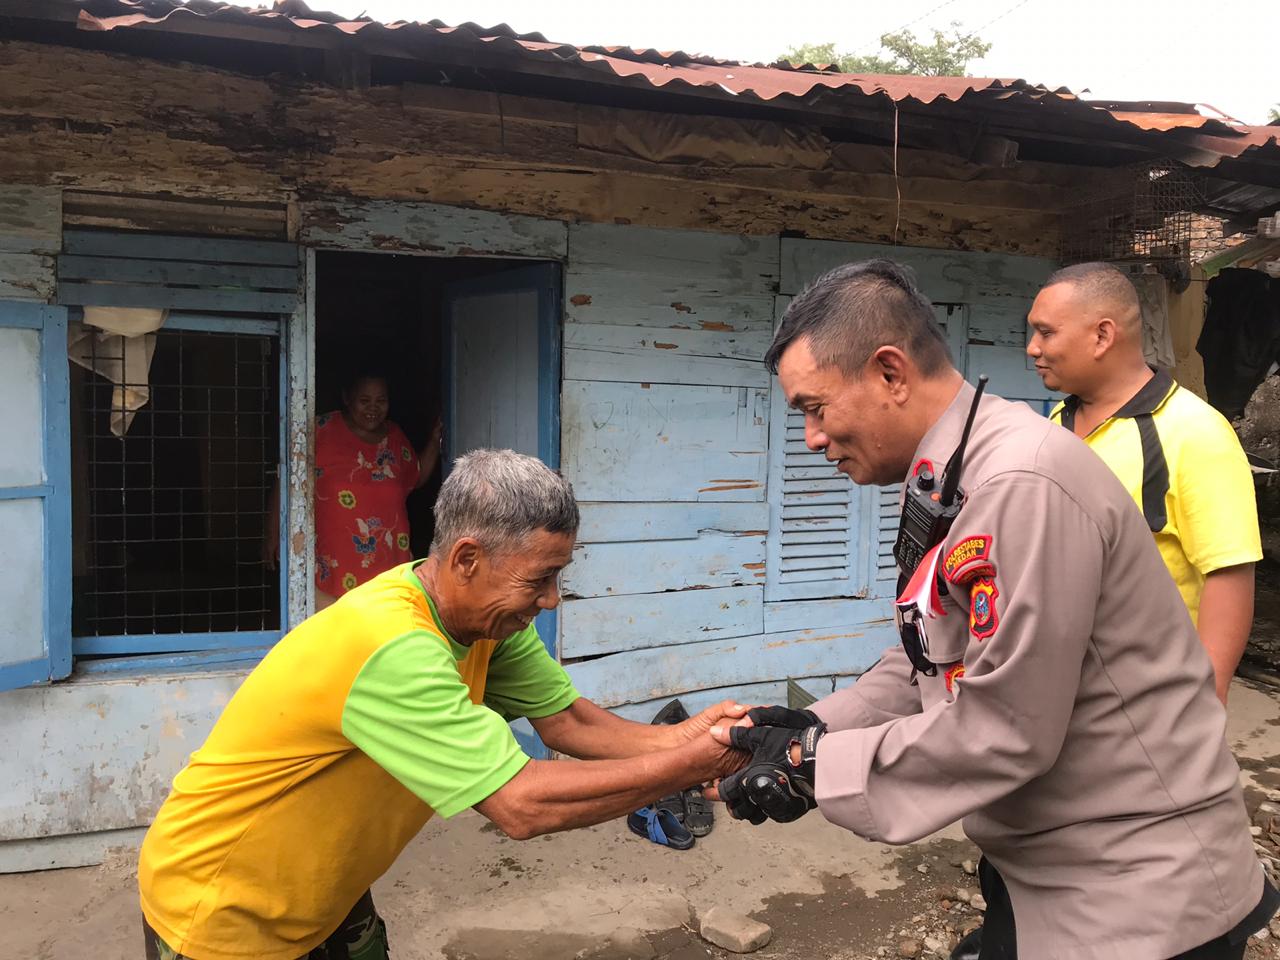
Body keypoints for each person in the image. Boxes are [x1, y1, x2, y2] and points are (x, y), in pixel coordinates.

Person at [710, 259, 1277, 958]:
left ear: (890, 372)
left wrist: (813, 763)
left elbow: (1007, 725)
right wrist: (817, 723)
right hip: (1048, 869)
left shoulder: (1020, 482)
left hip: (1138, 892)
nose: (811, 438)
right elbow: (936, 648)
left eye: (815, 408)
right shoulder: (947, 471)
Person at [139, 449, 747, 960]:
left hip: (324, 892)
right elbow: (521, 804)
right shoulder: (393, 645)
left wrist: (696, 737)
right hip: (222, 908)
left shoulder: (487, 621)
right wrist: (689, 768)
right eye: (539, 578)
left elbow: (567, 721)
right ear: (466, 559)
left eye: (558, 575)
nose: (552, 599)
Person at [1027, 263, 1261, 704]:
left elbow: (1228, 572)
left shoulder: (1195, 432)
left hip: (1152, 696)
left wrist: (1207, 700)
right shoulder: (1060, 420)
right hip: (1065, 687)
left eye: (1046, 332)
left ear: (1102, 335)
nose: (1032, 347)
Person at [265, 371, 443, 610]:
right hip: (334, 564)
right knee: (337, 624)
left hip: (387, 563)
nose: (373, 408)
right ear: (347, 398)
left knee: (384, 620)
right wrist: (273, 534)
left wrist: (435, 440)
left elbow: (416, 476)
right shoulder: (320, 430)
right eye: (364, 400)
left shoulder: (395, 437)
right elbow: (288, 480)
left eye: (381, 400)